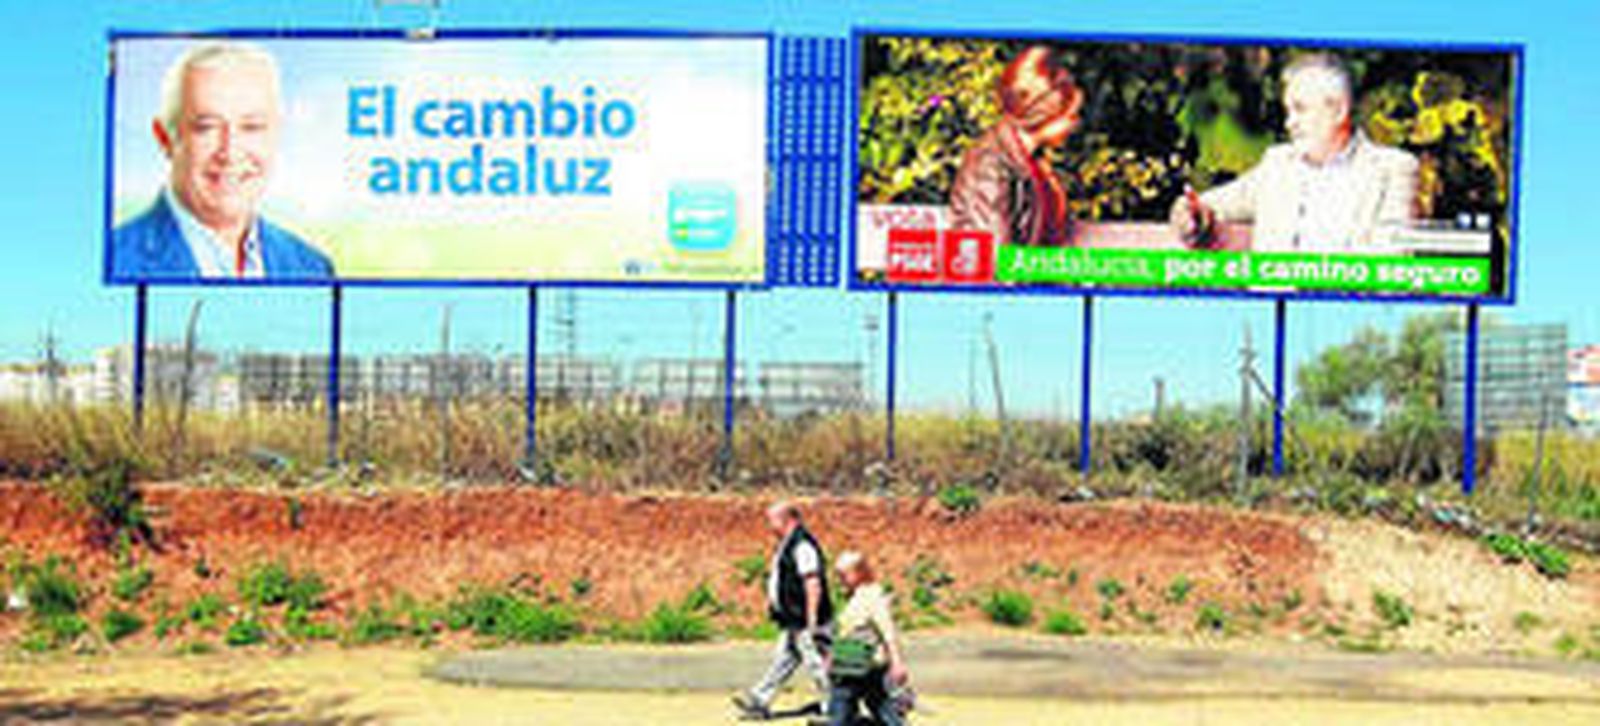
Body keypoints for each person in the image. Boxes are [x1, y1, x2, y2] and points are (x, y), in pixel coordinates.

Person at [111, 42, 332, 281]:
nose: (230, 151)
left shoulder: (310, 266)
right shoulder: (120, 257)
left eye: (251, 127)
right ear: (165, 139)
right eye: (207, 127)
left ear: (276, 135)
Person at [1169, 52, 1419, 253]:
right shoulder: (1278, 164)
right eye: (1288, 112)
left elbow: (1391, 264)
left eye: (1300, 110)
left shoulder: (1392, 169)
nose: (1290, 123)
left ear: (1339, 111)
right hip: (1272, 310)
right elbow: (1207, 206)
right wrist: (1192, 214)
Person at [948, 45, 1083, 247]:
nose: (1075, 124)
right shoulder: (989, 165)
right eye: (1069, 116)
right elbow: (995, 259)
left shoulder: (1031, 162)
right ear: (1044, 114)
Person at [733, 501, 835, 720]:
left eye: (771, 520)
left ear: (786, 519)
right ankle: (759, 700)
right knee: (783, 660)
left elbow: (812, 582)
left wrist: (812, 618)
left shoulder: (802, 545)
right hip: (792, 620)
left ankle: (835, 709)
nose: (769, 526)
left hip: (805, 620)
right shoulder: (789, 543)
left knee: (818, 664)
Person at [825, 551, 911, 726]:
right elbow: (845, 633)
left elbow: (888, 631)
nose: (840, 580)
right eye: (838, 575)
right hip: (850, 665)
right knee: (880, 708)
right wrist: (831, 658)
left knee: (843, 709)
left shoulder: (873, 596)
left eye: (844, 575)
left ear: (859, 572)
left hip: (864, 665)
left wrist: (897, 662)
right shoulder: (854, 597)